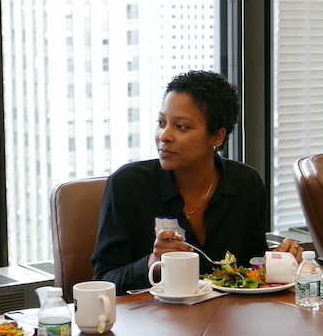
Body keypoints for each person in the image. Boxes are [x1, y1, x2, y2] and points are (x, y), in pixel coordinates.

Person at [93, 71, 299, 294]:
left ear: (217, 137)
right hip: (153, 322)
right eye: (161, 123)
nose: (164, 136)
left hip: (227, 321)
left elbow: (249, 268)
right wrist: (153, 263)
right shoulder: (128, 185)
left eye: (181, 127)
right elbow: (104, 280)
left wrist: (278, 262)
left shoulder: (246, 184)